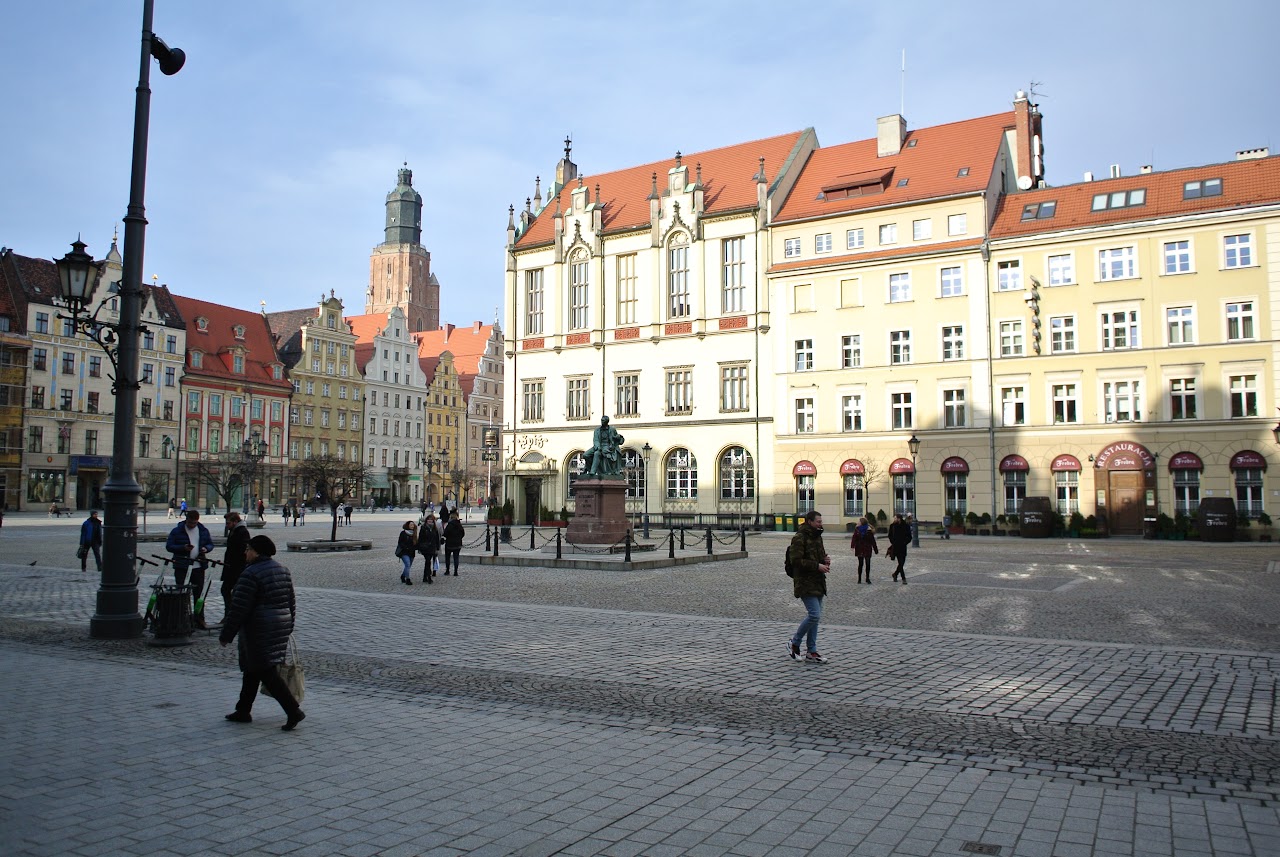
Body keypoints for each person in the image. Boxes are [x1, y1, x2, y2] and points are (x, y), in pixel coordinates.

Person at [219, 535, 305, 731]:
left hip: (259, 628)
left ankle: (293, 711)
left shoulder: (250, 574)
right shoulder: (282, 570)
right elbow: (291, 601)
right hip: (279, 626)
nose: (245, 553)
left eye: (248, 549)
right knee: (252, 669)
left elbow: (239, 608)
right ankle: (243, 710)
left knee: (266, 672)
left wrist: (226, 634)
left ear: (256, 552)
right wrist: (289, 624)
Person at [787, 510, 832, 664]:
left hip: (818, 580)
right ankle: (794, 643)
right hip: (805, 581)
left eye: (821, 521)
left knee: (816, 617)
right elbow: (796, 561)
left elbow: (819, 556)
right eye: (818, 521)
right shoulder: (799, 537)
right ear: (810, 521)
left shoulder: (817, 536)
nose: (821, 524)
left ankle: (811, 651)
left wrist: (825, 560)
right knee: (814, 614)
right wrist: (817, 565)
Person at [166, 509, 215, 628]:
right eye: (190, 523)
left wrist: (205, 549)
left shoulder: (202, 530)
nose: (192, 525)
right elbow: (169, 546)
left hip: (198, 566)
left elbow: (210, 544)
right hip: (182, 565)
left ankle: (199, 618)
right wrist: (183, 547)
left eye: (194, 523)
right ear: (186, 520)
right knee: (182, 593)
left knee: (199, 594)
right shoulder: (177, 531)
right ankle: (181, 619)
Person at [222, 511, 251, 616]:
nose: (227, 525)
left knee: (229, 591)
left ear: (235, 522)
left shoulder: (242, 531)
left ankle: (232, 615)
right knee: (226, 590)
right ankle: (230, 614)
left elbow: (243, 551)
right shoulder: (235, 530)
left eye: (228, 523)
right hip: (231, 567)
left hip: (237, 568)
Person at [850, 516, 878, 584]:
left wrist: (875, 549)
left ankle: (867, 578)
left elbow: (872, 540)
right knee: (860, 564)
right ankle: (859, 578)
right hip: (859, 548)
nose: (858, 522)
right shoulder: (857, 529)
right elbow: (854, 538)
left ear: (862, 523)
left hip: (867, 548)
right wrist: (852, 546)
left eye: (859, 521)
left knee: (868, 564)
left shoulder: (869, 530)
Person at [416, 513, 441, 583]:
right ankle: (429, 577)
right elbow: (420, 538)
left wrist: (437, 547)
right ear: (426, 520)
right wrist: (419, 547)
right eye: (428, 520)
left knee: (427, 562)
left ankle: (425, 577)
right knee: (428, 561)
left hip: (432, 547)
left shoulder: (435, 528)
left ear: (433, 521)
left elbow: (437, 538)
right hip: (425, 547)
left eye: (431, 520)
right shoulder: (423, 528)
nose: (429, 521)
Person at [887, 514, 911, 584]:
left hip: (903, 547)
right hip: (896, 547)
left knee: (902, 563)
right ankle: (903, 578)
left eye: (895, 518)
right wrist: (893, 542)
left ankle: (895, 574)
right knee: (900, 562)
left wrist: (905, 542)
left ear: (899, 519)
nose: (894, 519)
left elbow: (909, 536)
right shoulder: (892, 526)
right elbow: (890, 535)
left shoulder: (905, 526)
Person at [442, 511, 465, 576]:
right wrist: (458, 538)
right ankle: (455, 571)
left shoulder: (449, 525)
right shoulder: (459, 525)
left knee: (447, 557)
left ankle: (447, 570)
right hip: (457, 544)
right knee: (456, 557)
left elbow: (445, 533)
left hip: (449, 543)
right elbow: (463, 533)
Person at [396, 520, 417, 585]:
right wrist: (406, 547)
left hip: (411, 552)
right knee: (407, 564)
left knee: (408, 566)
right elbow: (400, 542)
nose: (412, 526)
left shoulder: (414, 533)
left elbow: (416, 543)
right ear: (407, 525)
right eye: (411, 525)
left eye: (413, 525)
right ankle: (408, 579)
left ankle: (403, 576)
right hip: (404, 552)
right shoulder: (403, 533)